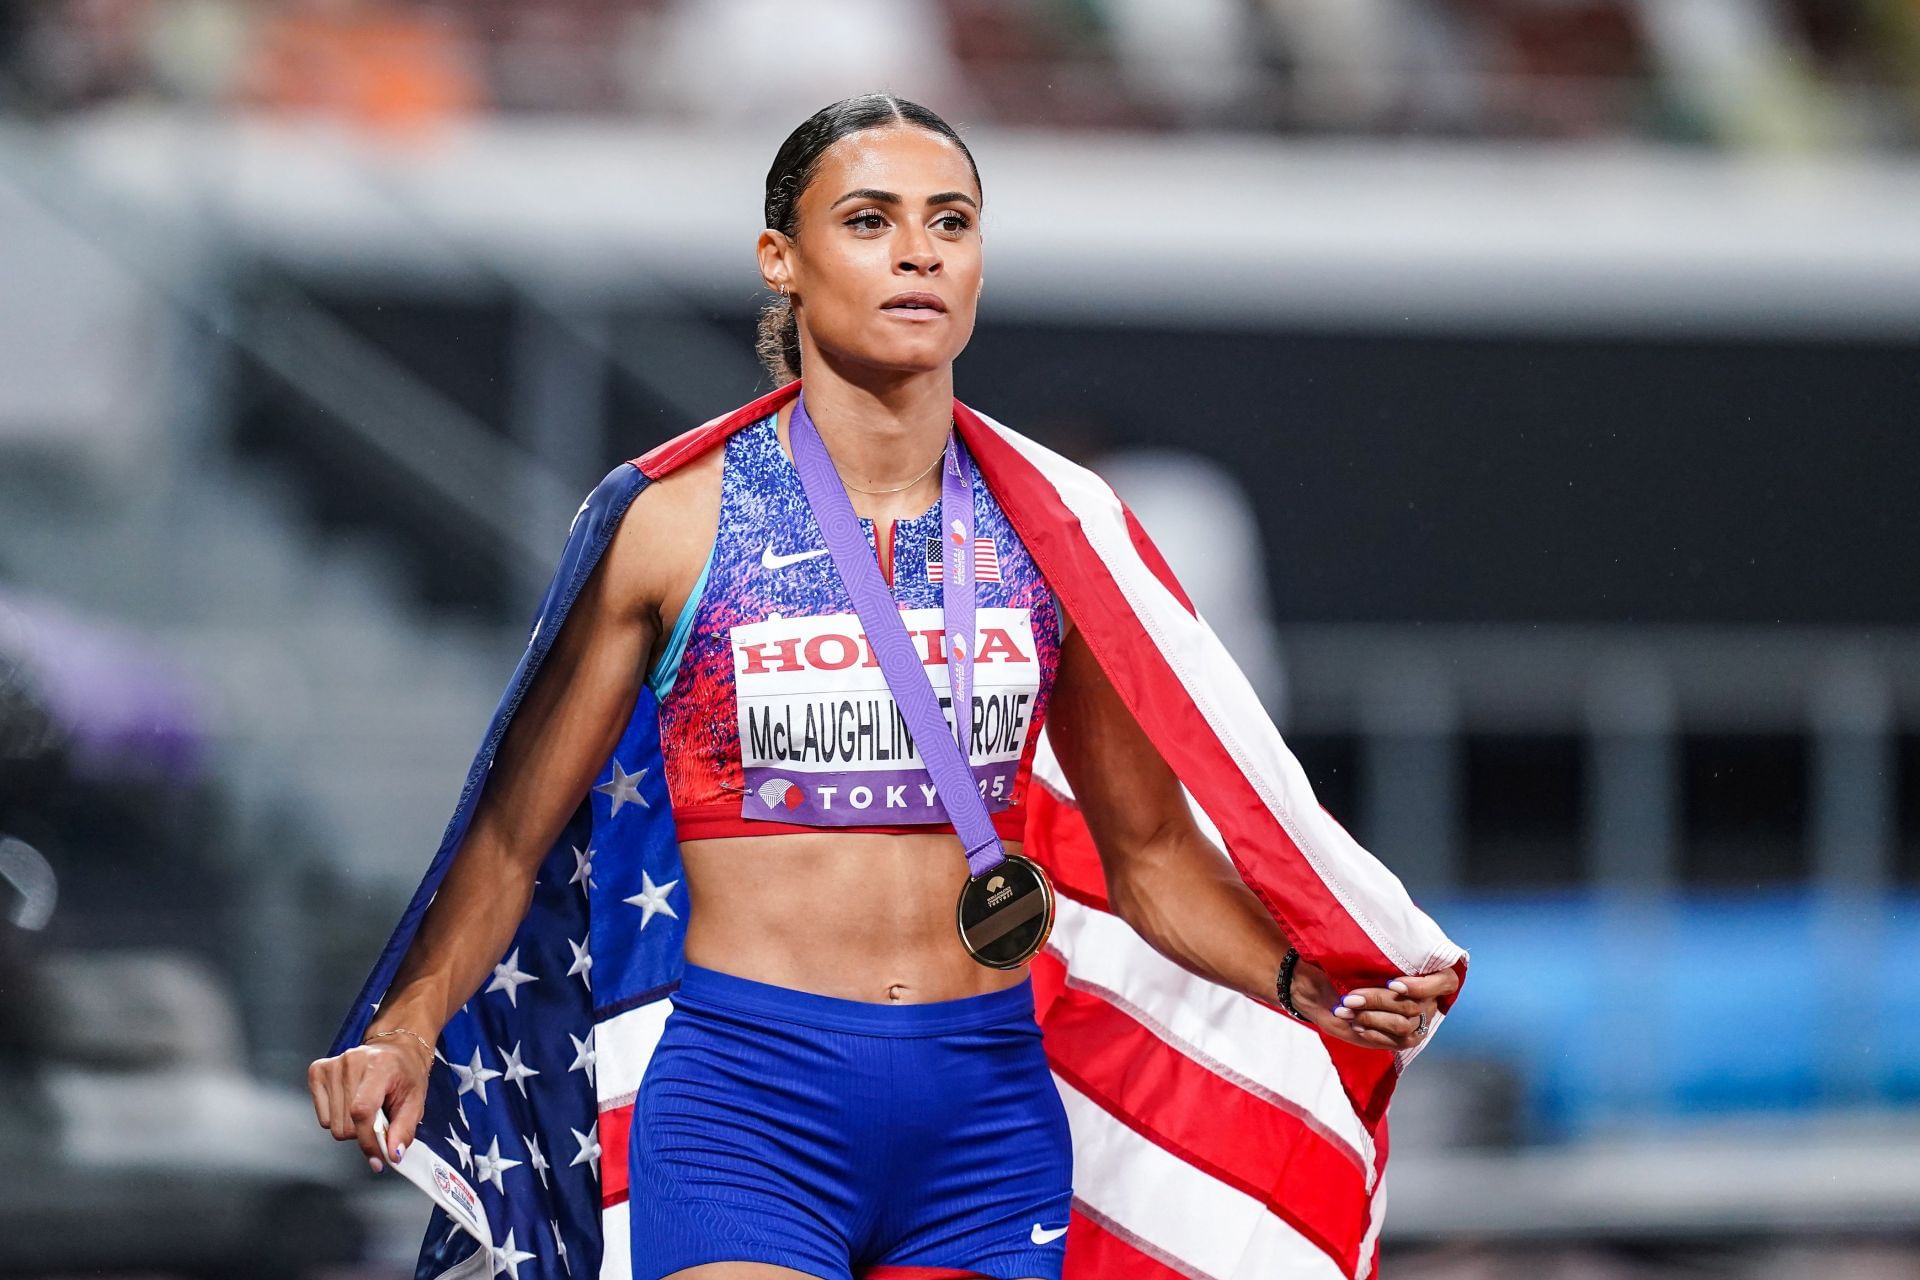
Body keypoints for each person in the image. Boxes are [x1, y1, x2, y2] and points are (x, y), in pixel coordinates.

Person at [307, 93, 1461, 1280]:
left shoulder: (1051, 531)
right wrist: (408, 1022)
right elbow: (512, 833)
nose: (918, 250)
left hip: (984, 1115)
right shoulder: (674, 525)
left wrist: (1295, 973)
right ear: (782, 261)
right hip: (749, 1108)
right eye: (869, 220)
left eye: (950, 222)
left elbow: (1153, 853)